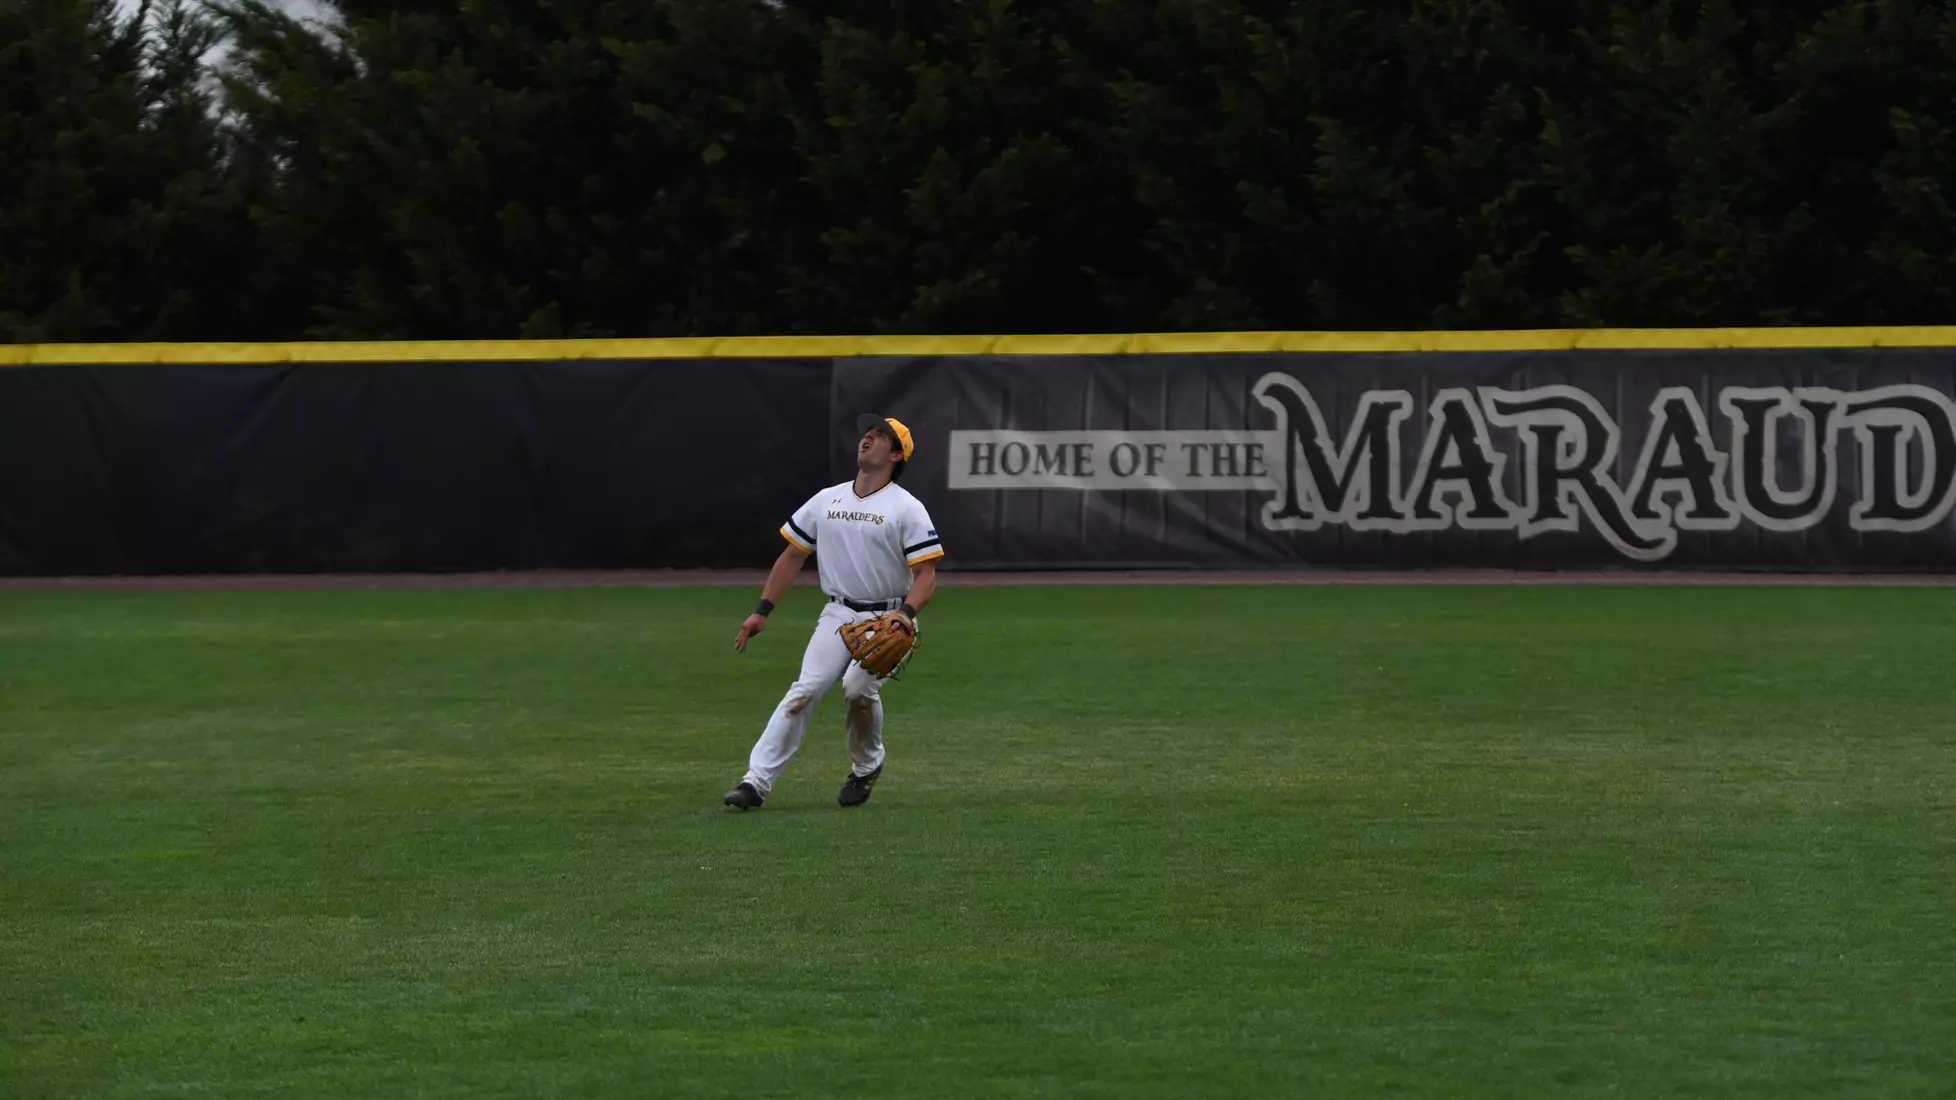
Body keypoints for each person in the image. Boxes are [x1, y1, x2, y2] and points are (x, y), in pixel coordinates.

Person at [723, 414, 943, 810]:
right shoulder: (828, 499)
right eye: (868, 433)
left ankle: (866, 767)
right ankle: (754, 783)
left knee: (857, 690)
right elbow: (792, 556)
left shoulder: (907, 508)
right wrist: (762, 611)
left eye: (880, 437)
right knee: (803, 692)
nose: (868, 438)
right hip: (838, 614)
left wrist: (906, 614)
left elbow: (926, 576)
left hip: (889, 617)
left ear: (896, 454)